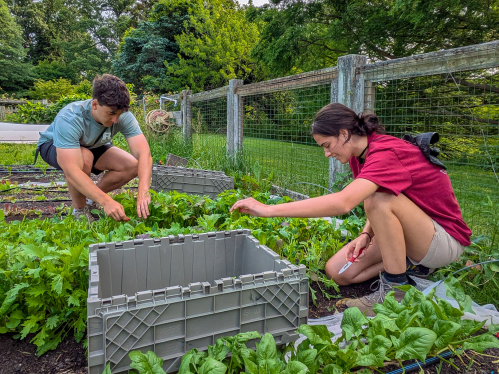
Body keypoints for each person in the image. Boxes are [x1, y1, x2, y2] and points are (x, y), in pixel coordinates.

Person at [230, 103, 471, 316]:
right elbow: (387, 193)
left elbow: (347, 202)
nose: (327, 154)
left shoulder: (385, 152)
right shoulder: (360, 156)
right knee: (338, 272)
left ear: (344, 134)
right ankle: (414, 268)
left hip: (443, 240)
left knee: (376, 202)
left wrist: (269, 209)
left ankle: (396, 291)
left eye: (327, 145)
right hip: (415, 236)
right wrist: (367, 234)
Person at [36, 74, 152, 222]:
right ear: (95, 104)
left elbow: (144, 154)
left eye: (119, 114)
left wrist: (143, 191)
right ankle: (80, 211)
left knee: (132, 166)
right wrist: (106, 201)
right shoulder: (70, 118)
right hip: (53, 144)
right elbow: (72, 171)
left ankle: (91, 200)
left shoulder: (123, 115)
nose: (116, 119)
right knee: (85, 158)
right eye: (111, 113)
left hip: (92, 143)